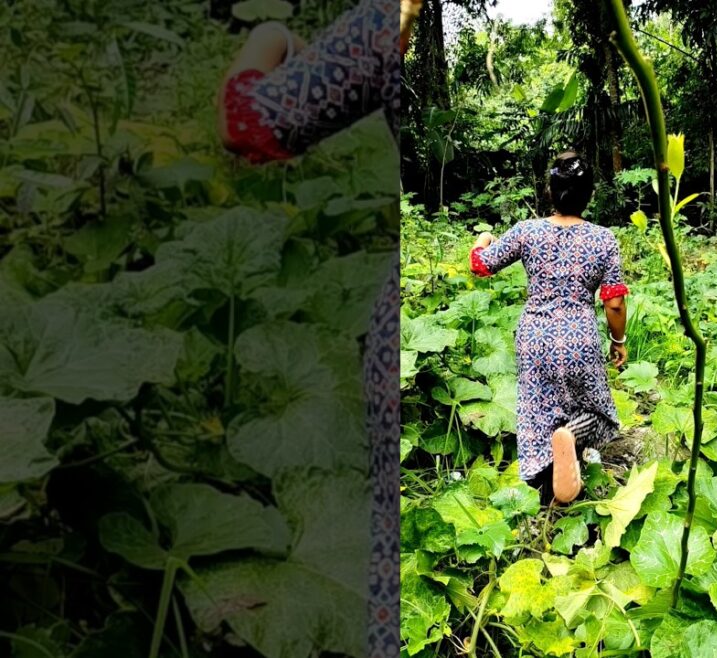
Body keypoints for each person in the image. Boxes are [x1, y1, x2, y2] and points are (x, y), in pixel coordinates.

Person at [214, 2, 420, 656]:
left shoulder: (391, 20)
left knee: (402, 554)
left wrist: (272, 35)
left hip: (407, 321)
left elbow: (247, 125)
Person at [469, 152, 630, 504]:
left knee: (537, 408)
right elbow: (614, 301)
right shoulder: (604, 239)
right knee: (597, 410)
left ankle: (544, 487)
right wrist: (619, 340)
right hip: (580, 336)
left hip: (534, 337)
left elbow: (481, 266)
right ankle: (571, 435)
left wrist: (482, 239)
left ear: (550, 191)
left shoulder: (527, 231)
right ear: (589, 194)